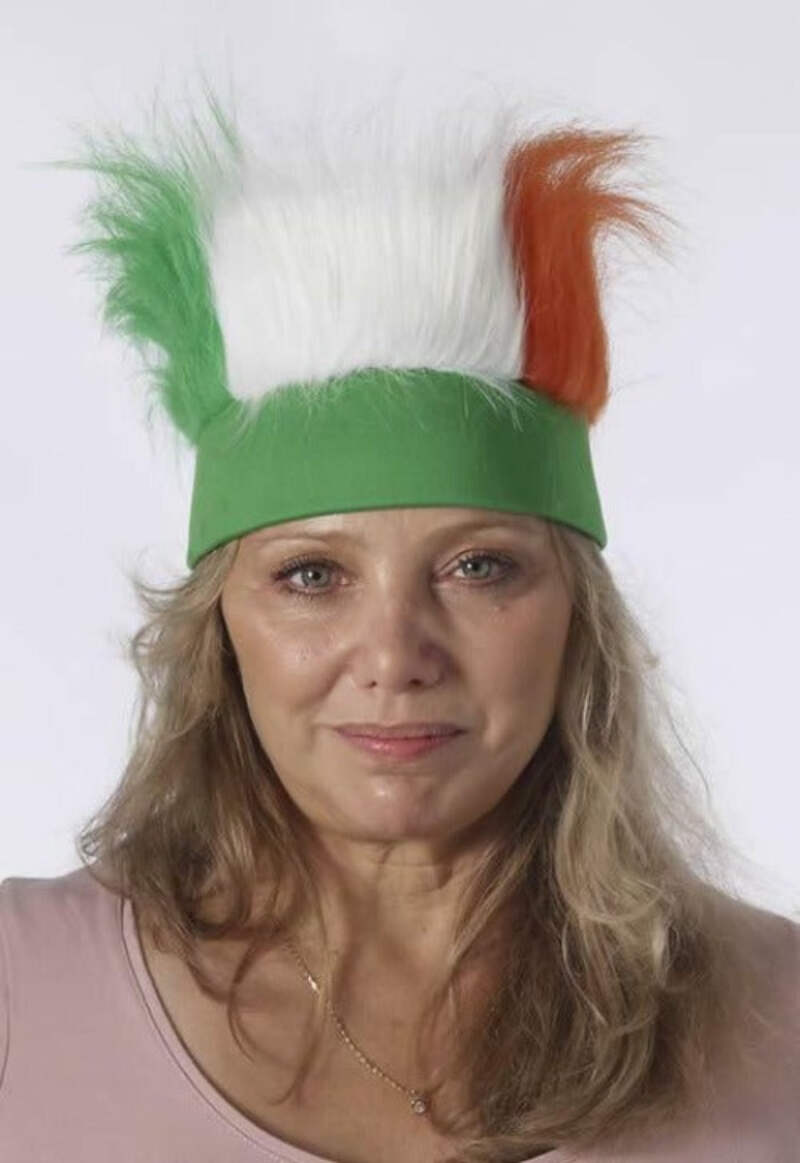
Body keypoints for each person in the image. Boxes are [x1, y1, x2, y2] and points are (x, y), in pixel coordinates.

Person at [1, 89, 797, 1163]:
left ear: (577, 618)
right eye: (312, 574)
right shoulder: (21, 988)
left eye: (478, 567)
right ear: (218, 627)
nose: (393, 657)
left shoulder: (778, 1018)